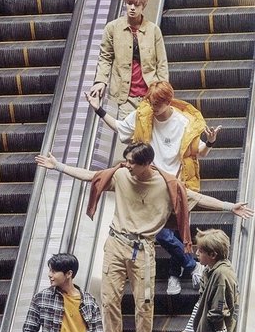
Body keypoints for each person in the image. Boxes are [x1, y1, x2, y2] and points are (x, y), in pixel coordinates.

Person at [35, 143, 253, 332]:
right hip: (116, 242)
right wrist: (58, 166)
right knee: (109, 298)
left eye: (132, 162)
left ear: (147, 163)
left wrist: (230, 206)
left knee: (145, 300)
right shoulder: (121, 175)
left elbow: (197, 198)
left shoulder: (167, 186)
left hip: (143, 249)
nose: (126, 165)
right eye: (126, 160)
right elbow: (92, 176)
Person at [86, 80, 223, 295]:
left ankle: (175, 276)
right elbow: (121, 127)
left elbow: (199, 152)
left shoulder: (184, 122)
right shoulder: (143, 114)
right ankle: (192, 266)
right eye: (151, 103)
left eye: (157, 104)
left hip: (177, 184)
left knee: (178, 232)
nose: (153, 108)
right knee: (161, 234)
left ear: (169, 101)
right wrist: (98, 109)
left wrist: (211, 141)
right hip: (152, 184)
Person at [89, 0, 169, 119]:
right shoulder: (112, 28)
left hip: (150, 94)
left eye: (136, 5)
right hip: (125, 95)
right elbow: (105, 57)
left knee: (150, 130)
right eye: (129, 3)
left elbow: (162, 63)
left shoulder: (153, 30)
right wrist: (101, 81)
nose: (132, 8)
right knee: (127, 130)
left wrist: (163, 90)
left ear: (143, 6)